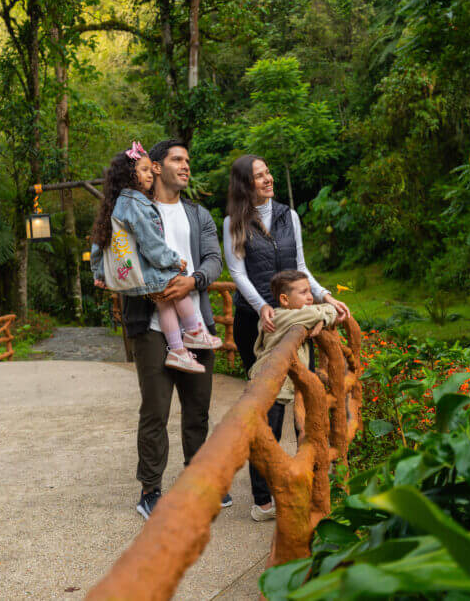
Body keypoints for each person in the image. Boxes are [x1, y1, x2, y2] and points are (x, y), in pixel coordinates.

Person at [106, 138, 231, 520]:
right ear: (156, 167)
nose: (186, 165)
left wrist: (193, 280)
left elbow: (214, 259)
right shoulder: (132, 207)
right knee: (155, 411)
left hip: (196, 322)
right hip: (149, 326)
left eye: (187, 159)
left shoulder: (198, 214)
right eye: (177, 159)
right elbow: (116, 253)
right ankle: (150, 489)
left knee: (198, 410)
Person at [223, 154, 350, 521]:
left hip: (295, 320)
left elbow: (301, 267)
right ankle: (264, 498)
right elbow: (237, 273)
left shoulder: (288, 216)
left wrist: (325, 296)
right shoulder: (234, 222)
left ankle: (307, 483)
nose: (268, 179)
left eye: (268, 172)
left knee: (304, 399)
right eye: (259, 175)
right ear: (245, 184)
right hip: (257, 323)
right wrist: (263, 305)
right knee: (269, 408)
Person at [90, 142, 222, 374]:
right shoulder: (139, 204)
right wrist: (174, 261)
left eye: (187, 161)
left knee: (165, 303)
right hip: (147, 308)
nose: (185, 166)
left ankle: (178, 349)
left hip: (145, 283)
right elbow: (153, 245)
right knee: (173, 284)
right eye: (144, 170)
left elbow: (100, 243)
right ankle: (192, 333)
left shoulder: (116, 204)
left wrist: (99, 272)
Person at [248, 270, 338, 521]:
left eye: (310, 291)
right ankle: (262, 504)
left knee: (297, 431)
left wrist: (319, 319)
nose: (311, 297)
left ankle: (303, 484)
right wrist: (322, 317)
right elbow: (330, 311)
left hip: (285, 385)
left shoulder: (296, 315)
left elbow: (320, 313)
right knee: (265, 440)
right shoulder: (281, 316)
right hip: (269, 385)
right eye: (304, 292)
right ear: (284, 299)